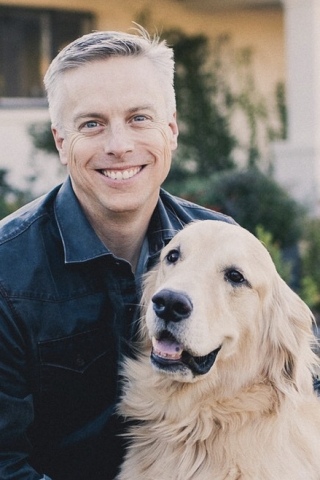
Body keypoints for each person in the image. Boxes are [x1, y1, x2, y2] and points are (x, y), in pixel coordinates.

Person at [0, 27, 235, 480]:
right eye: (91, 124)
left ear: (171, 130)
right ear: (60, 142)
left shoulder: (225, 247)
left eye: (139, 118)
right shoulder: (7, 275)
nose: (119, 145)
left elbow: (293, 378)